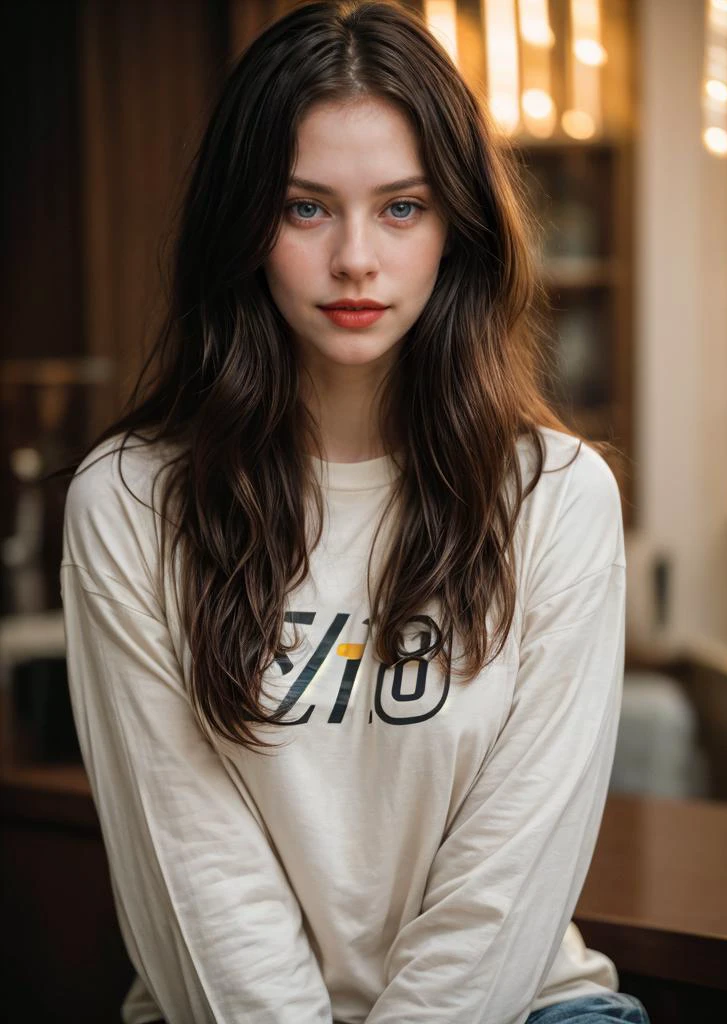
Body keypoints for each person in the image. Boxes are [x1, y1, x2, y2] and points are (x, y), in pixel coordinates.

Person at [57, 1, 650, 1022]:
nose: (357, 260)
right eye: (305, 207)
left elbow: (504, 883)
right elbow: (198, 875)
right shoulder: (127, 503)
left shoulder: (557, 499)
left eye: (402, 207)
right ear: (244, 225)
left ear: (455, 225)